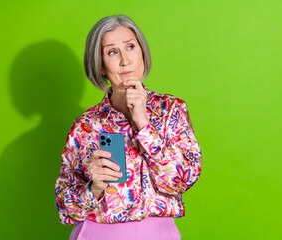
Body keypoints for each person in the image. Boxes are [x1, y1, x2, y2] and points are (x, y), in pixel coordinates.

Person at [55, 14, 202, 240]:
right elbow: (66, 209)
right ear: (101, 66)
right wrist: (93, 188)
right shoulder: (86, 125)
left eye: (131, 47)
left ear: (142, 52)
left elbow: (181, 181)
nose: (125, 60)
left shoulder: (171, 110)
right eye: (112, 52)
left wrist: (143, 124)